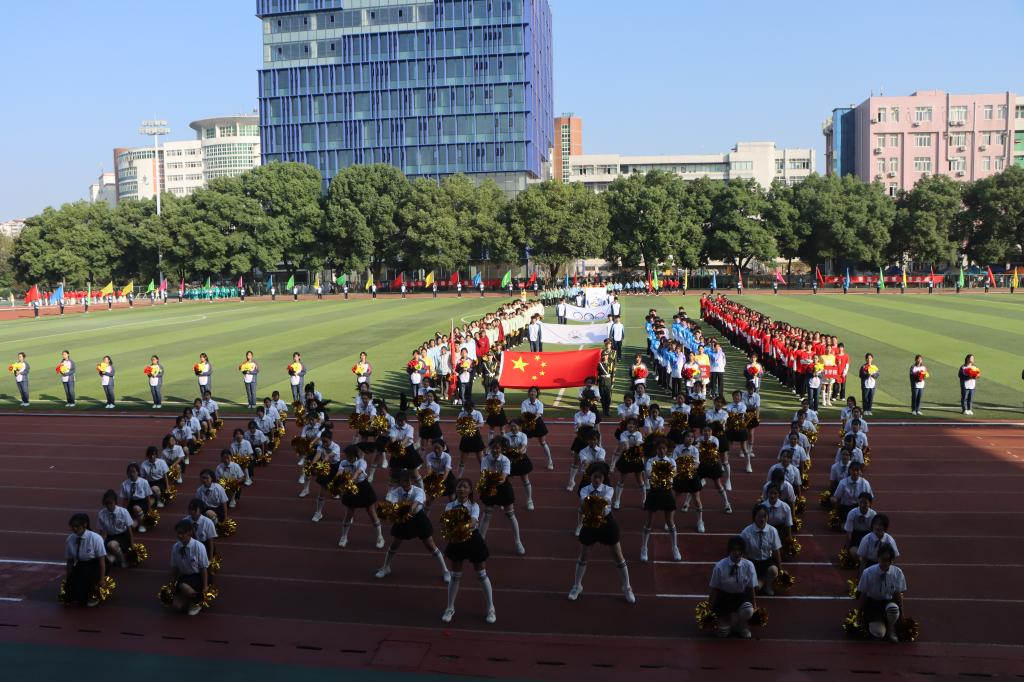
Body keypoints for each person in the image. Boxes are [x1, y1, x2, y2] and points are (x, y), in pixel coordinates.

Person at [568, 468, 635, 603]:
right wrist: (589, 505)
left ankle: (627, 587)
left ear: (603, 478)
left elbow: (604, 502)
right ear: (590, 477)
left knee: (618, 556)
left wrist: (590, 504)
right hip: (590, 523)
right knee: (583, 555)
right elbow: (585, 503)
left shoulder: (609, 489)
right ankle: (577, 586)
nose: (597, 480)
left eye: (600, 477)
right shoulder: (584, 489)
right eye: (595, 477)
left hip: (606, 523)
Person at [374, 470, 451, 582]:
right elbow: (392, 506)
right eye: (403, 481)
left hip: (418, 518)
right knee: (394, 544)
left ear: (412, 480)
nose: (406, 483)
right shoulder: (395, 492)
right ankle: (386, 567)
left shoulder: (419, 491)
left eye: (407, 481)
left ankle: (445, 570)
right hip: (402, 519)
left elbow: (414, 507)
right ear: (400, 482)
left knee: (430, 545)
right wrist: (388, 511)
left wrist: (403, 509)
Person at [441, 478, 497, 623]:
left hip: (473, 540)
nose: (461, 489)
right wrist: (454, 527)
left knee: (481, 574)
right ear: (455, 489)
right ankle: (450, 607)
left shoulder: (474, 506)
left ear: (470, 491)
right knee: (455, 576)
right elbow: (447, 523)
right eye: (459, 487)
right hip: (457, 541)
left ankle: (491, 608)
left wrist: (460, 526)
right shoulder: (449, 506)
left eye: (465, 487)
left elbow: (473, 521)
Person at [478, 437, 526, 555]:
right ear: (490, 448)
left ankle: (518, 542)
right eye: (493, 448)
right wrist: (489, 480)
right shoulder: (485, 459)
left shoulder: (505, 460)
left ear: (501, 449)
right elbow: (483, 474)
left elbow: (503, 478)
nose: (495, 450)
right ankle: (480, 543)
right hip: (489, 486)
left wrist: (491, 478)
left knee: (510, 514)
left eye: (497, 448)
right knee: (487, 514)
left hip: (503, 488)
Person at [708, 536, 759, 639]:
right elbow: (714, 589)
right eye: (734, 549)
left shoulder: (749, 565)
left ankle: (741, 625)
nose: (737, 552)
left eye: (739, 550)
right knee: (723, 633)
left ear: (743, 551)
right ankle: (727, 620)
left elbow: (751, 588)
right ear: (729, 550)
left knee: (749, 610)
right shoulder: (719, 566)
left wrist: (754, 606)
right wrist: (709, 611)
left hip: (740, 597)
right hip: (724, 597)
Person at [855, 544, 906, 642]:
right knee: (879, 634)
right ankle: (876, 622)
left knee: (893, 609)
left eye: (888, 560)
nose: (885, 563)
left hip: (888, 602)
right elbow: (863, 594)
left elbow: (897, 594)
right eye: (882, 559)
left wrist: (902, 615)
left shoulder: (897, 573)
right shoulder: (868, 572)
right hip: (873, 603)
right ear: (878, 558)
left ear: (892, 560)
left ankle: (891, 628)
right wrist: (859, 613)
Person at [337, 444, 385, 549]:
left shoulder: (362, 462)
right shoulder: (343, 462)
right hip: (350, 487)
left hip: (362, 487)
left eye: (350, 456)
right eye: (347, 456)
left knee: (371, 512)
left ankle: (380, 537)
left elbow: (358, 473)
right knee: (349, 513)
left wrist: (350, 481)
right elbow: (339, 473)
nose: (348, 458)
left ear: (356, 455)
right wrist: (337, 482)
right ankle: (344, 537)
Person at [641, 439, 681, 562]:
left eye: (664, 448)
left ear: (667, 449)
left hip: (667, 492)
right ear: (656, 449)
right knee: (649, 522)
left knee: (670, 521)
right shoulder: (651, 461)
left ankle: (675, 547)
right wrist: (663, 473)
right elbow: (648, 474)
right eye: (659, 448)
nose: (662, 451)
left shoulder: (671, 461)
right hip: (654, 492)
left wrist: (660, 473)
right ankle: (644, 547)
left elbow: (674, 474)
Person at [63, 513, 107, 607]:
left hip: (94, 564)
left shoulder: (95, 538)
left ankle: (92, 596)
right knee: (68, 594)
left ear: (85, 525)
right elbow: (70, 561)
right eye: (72, 527)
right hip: (81, 564)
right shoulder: (70, 539)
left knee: (84, 582)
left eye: (77, 526)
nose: (74, 529)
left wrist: (101, 579)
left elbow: (102, 560)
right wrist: (68, 578)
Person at [169, 519, 210, 616]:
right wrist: (172, 584)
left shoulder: (199, 547)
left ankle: (197, 602)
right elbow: (175, 568)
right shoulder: (176, 547)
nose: (180, 536)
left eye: (183, 533)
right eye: (178, 533)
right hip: (185, 577)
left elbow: (204, 568)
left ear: (190, 532)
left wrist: (205, 586)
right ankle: (187, 597)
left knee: (184, 587)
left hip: (198, 576)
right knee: (177, 606)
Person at [740, 505, 782, 596]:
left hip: (766, 561)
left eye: (764, 516)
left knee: (774, 570)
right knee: (757, 588)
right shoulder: (746, 532)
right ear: (754, 517)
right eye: (759, 516)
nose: (762, 519)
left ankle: (768, 585)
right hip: (752, 562)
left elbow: (776, 551)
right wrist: (744, 569)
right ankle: (762, 580)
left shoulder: (772, 531)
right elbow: (743, 554)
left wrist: (780, 568)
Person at [97, 491, 135, 569]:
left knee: (112, 545)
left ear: (115, 502)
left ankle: (123, 560)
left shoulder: (123, 512)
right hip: (110, 537)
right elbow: (102, 532)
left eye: (111, 503)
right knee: (108, 560)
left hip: (122, 537)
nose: (108, 506)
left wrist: (132, 546)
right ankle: (116, 557)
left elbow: (130, 530)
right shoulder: (102, 514)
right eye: (106, 504)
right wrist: (100, 547)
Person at [520, 386, 554, 470]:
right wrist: (529, 421)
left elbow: (538, 414)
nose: (532, 393)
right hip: (527, 421)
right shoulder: (524, 403)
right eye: (531, 391)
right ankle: (521, 462)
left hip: (537, 422)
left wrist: (533, 420)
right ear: (529, 393)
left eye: (534, 391)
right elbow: (523, 414)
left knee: (543, 442)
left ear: (537, 393)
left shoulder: (540, 403)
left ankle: (550, 461)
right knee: (524, 443)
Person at [119, 463, 153, 534]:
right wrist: (123, 511)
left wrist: (150, 509)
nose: (132, 474)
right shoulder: (124, 484)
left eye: (134, 472)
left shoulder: (144, 482)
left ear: (138, 472)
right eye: (130, 472)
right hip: (131, 502)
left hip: (142, 502)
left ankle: (142, 524)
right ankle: (137, 520)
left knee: (136, 508)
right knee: (132, 526)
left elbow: (148, 496)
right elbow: (125, 499)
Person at [456, 398, 487, 478]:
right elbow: (458, 425)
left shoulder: (478, 413)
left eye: (470, 408)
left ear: (473, 407)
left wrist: (473, 426)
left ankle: (484, 476)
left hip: (476, 436)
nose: (469, 410)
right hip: (466, 437)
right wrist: (463, 427)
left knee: (481, 459)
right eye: (467, 408)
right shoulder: (462, 414)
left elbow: (482, 424)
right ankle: (459, 476)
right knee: (462, 460)